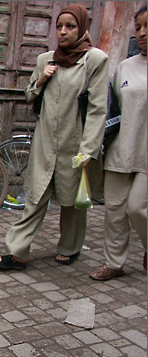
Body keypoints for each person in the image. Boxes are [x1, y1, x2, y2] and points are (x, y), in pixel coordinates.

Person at [0, 4, 109, 270]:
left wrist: (89, 148)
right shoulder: (46, 60)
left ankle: (70, 247)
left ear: (82, 28)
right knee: (36, 195)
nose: (63, 31)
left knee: (72, 201)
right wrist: (41, 80)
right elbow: (30, 95)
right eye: (59, 26)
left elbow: (98, 108)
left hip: (75, 142)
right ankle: (18, 252)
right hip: (46, 141)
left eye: (70, 26)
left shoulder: (95, 60)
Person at [90, 5, 147, 281]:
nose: (143, 33)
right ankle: (115, 262)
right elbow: (111, 109)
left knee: (137, 208)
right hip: (120, 151)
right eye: (139, 27)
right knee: (113, 210)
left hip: (146, 155)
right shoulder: (125, 66)